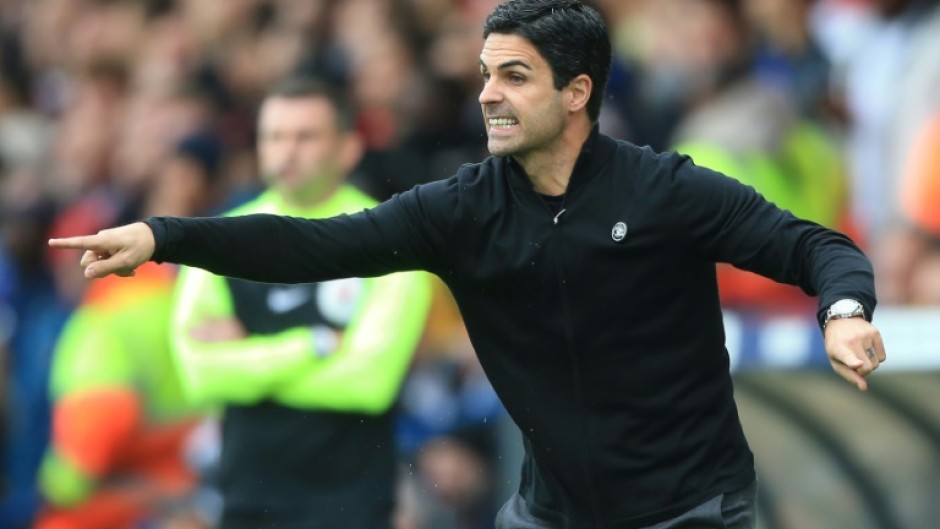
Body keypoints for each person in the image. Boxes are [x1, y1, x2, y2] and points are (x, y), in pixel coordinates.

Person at [49, 1, 887, 528]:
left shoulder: (666, 189)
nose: (487, 93)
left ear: (576, 92)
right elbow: (312, 243)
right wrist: (164, 235)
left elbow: (816, 244)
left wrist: (844, 311)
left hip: (691, 508)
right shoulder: (461, 208)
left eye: (514, 76)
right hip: (550, 511)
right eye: (486, 73)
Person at [166, 78, 433, 529]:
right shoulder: (218, 241)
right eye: (274, 136)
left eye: (305, 136)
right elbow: (200, 374)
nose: (287, 151)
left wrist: (249, 348)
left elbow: (369, 383)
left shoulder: (393, 242)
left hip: (353, 507)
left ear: (348, 148)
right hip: (247, 503)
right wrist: (317, 344)